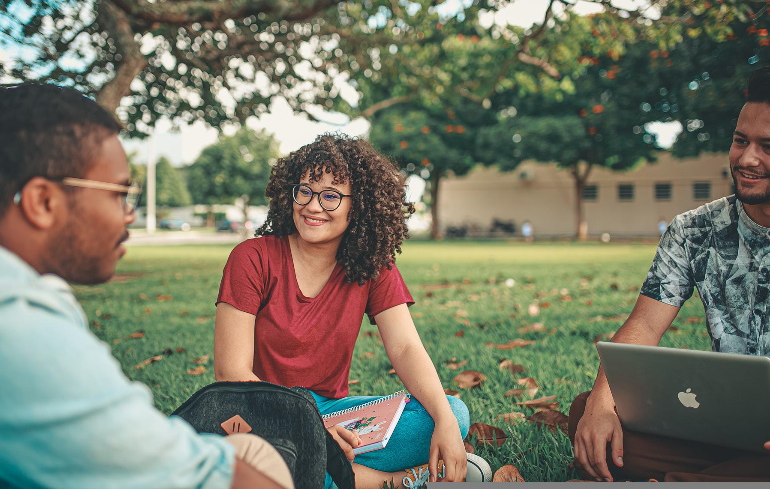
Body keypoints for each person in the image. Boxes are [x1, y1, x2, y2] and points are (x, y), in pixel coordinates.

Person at [0, 83, 292, 489]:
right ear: (43, 202)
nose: (129, 216)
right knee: (259, 459)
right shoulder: (20, 325)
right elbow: (207, 477)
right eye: (120, 194)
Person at [213, 134, 487, 489]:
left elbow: (405, 348)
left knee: (451, 411)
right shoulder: (252, 258)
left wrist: (446, 423)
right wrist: (311, 430)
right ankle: (398, 482)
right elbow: (231, 373)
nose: (313, 206)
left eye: (331, 196)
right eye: (305, 191)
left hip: (333, 414)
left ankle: (319, 473)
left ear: (359, 206)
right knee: (256, 459)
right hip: (261, 413)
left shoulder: (373, 265)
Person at [569, 66, 770, 483]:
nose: (747, 159)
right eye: (740, 141)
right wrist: (602, 405)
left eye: (768, 147)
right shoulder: (695, 229)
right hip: (728, 425)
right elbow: (643, 326)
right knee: (589, 415)